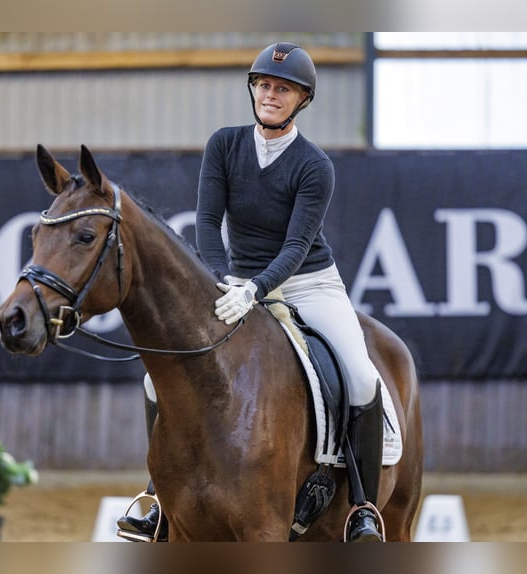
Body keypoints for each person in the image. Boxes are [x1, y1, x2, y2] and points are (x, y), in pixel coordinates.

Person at [117, 42, 385, 543]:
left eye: (282, 88)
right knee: (159, 382)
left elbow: (296, 244)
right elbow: (206, 222)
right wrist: (224, 282)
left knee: (360, 375)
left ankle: (363, 508)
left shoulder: (314, 165)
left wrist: (259, 288)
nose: (270, 94)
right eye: (263, 84)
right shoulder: (224, 144)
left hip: (306, 282)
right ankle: (158, 495)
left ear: (302, 99)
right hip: (234, 280)